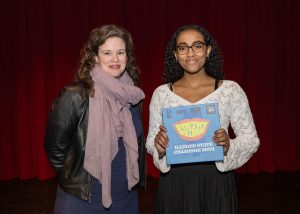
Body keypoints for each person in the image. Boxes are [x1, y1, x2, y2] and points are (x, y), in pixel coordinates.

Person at [146, 24, 260, 214]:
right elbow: (151, 141)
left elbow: (250, 139)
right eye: (183, 48)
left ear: (208, 50)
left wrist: (228, 145)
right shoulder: (161, 94)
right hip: (175, 184)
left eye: (197, 46)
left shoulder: (230, 91)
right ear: (175, 54)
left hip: (217, 182)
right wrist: (158, 145)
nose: (190, 53)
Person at [44, 24, 146, 214]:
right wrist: (73, 180)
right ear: (95, 57)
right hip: (82, 201)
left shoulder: (132, 97)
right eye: (107, 52)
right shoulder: (74, 96)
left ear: (127, 56)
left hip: (126, 199)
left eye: (120, 52)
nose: (115, 59)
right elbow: (55, 148)